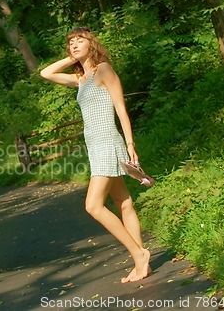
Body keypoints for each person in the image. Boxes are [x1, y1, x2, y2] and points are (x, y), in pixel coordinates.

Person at [40, 27, 151, 283]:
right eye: (70, 42)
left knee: (93, 205)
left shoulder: (103, 70)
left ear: (92, 43)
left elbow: (121, 109)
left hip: (107, 143)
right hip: (95, 146)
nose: (74, 44)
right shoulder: (81, 78)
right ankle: (141, 263)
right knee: (124, 203)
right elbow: (46, 73)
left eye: (80, 41)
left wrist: (131, 144)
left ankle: (138, 253)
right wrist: (74, 58)